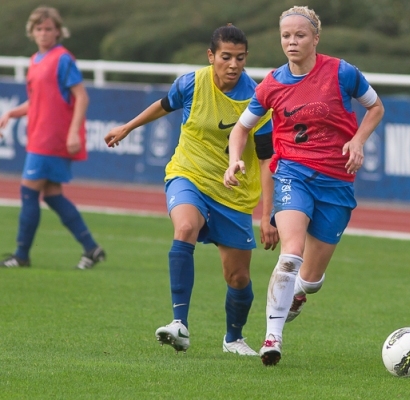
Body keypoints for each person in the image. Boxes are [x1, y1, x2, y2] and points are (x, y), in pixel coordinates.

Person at [224, 6, 385, 366]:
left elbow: (375, 109)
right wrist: (235, 158)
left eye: (299, 35)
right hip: (292, 174)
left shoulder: (343, 73)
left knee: (311, 279)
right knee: (291, 252)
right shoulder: (272, 84)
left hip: (337, 181)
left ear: (315, 38)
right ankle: (272, 337)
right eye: (285, 36)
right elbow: (241, 128)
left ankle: (296, 295)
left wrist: (357, 141)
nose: (292, 42)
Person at [104, 25, 279, 355]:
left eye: (240, 58)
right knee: (185, 227)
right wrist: (127, 127)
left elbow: (268, 160)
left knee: (238, 278)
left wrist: (268, 215)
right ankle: (179, 324)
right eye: (225, 57)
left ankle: (234, 338)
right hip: (189, 174)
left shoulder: (257, 100)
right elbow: (163, 104)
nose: (233, 64)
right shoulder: (191, 83)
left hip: (234, 194)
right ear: (211, 56)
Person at [0, 6, 105, 270]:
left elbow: (81, 96)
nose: (44, 33)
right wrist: (12, 112)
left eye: (49, 28)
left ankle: (21, 255)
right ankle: (91, 248)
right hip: (38, 134)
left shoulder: (63, 59)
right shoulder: (34, 60)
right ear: (32, 32)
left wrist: (72, 131)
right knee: (51, 194)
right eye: (39, 28)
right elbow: (36, 102)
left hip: (52, 136)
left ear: (58, 32)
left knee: (28, 192)